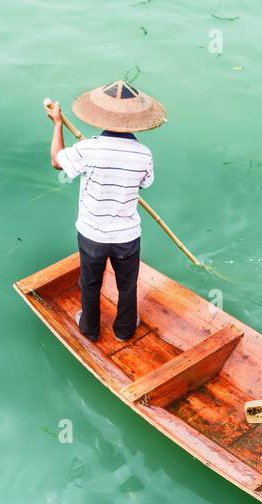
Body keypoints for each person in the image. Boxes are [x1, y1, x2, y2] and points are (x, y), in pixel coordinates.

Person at [45, 81, 165, 342]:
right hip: (126, 236)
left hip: (92, 234)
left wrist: (57, 124)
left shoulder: (89, 149)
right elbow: (145, 183)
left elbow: (57, 161)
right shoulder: (144, 154)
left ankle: (89, 328)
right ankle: (124, 330)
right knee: (127, 285)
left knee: (89, 283)